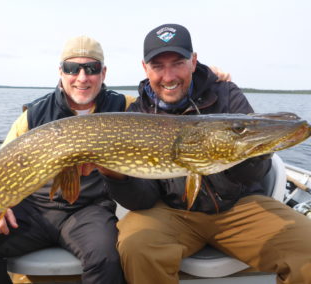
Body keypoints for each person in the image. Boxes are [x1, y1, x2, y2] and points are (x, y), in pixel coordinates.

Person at [102, 24, 311, 284]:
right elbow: (142, 200)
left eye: (178, 63)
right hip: (171, 212)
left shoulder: (226, 93)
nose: (168, 76)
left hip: (238, 206)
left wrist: (255, 152)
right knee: (137, 247)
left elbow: (253, 173)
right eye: (158, 66)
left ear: (194, 61)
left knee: (308, 250)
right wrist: (115, 176)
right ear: (145, 68)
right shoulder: (137, 114)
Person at [0, 35, 135, 284]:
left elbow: (161, 94)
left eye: (91, 68)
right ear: (61, 71)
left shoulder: (125, 107)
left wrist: (210, 76)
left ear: (103, 73)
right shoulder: (33, 115)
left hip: (89, 211)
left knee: (106, 257)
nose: (82, 77)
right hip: (35, 211)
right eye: (73, 68)